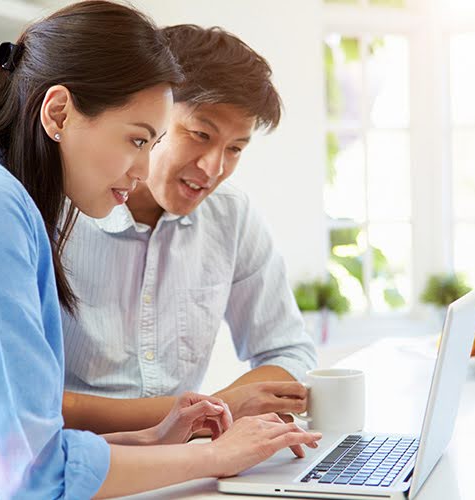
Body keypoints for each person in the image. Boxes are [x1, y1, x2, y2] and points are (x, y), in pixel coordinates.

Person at [0, 3, 320, 499]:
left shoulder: (4, 198)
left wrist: (154, 437)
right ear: (58, 112)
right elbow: (35, 474)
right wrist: (212, 455)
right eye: (137, 139)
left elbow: (19, 444)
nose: (143, 170)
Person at [61, 24, 317, 435]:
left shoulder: (230, 215)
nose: (214, 168)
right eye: (200, 135)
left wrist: (211, 414)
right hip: (77, 462)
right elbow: (27, 403)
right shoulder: (55, 211)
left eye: (235, 148)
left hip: (186, 459)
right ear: (152, 113)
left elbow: (288, 350)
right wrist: (213, 409)